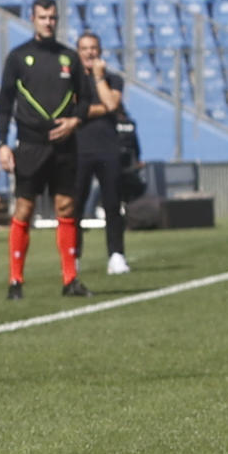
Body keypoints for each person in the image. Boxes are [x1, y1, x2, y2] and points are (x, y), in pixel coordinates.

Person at [0, 0, 92, 300]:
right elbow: (4, 105)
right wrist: (2, 144)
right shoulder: (18, 57)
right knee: (25, 208)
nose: (48, 22)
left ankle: (70, 278)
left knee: (66, 207)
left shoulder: (70, 58)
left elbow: (86, 100)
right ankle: (15, 281)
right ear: (32, 19)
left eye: (53, 18)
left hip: (65, 146)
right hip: (31, 145)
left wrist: (74, 122)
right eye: (42, 17)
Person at [73, 32, 130, 276]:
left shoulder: (112, 79)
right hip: (78, 148)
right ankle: (73, 255)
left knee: (112, 204)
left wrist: (98, 79)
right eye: (84, 48)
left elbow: (112, 104)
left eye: (93, 48)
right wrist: (97, 109)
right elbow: (73, 108)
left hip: (108, 148)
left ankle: (116, 255)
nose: (89, 52)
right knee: (74, 205)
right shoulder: (71, 80)